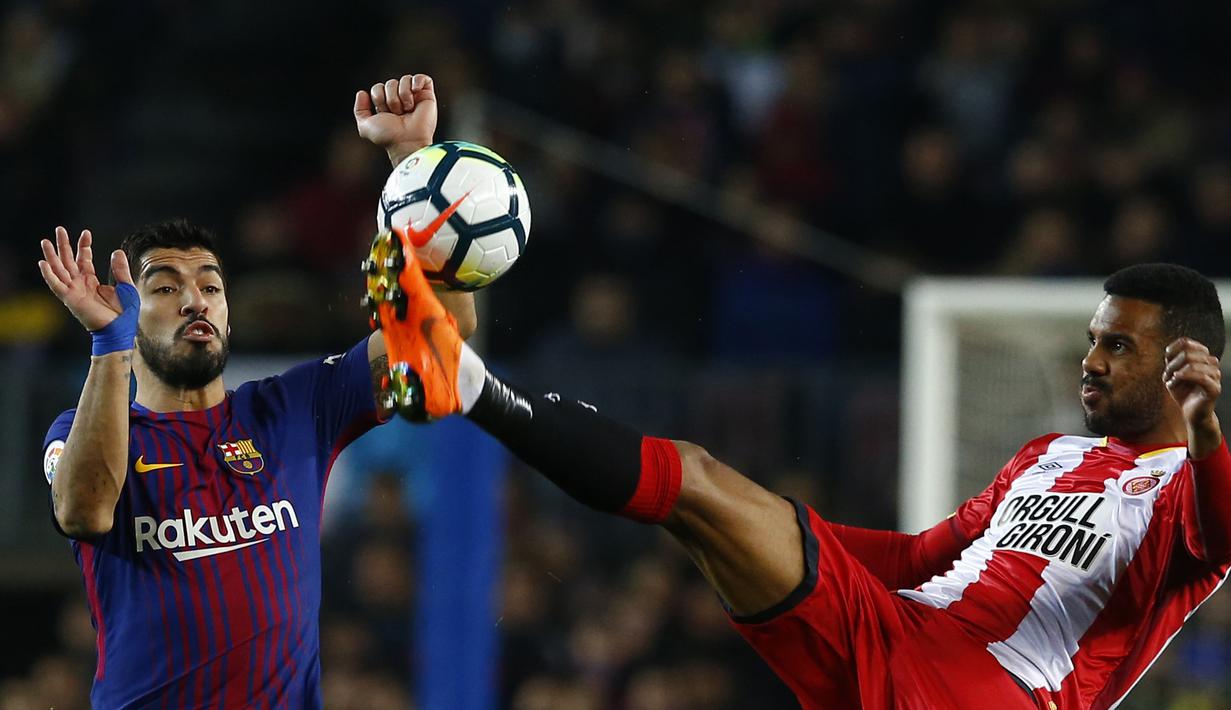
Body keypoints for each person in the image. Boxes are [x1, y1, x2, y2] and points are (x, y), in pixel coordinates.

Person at [372, 252, 1231, 709]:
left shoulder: (1184, 494)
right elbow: (920, 556)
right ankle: (464, 383)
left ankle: (467, 382)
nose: (1088, 361)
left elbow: (1221, 533)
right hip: (899, 635)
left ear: (1183, 365)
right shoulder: (1046, 454)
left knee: (702, 490)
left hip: (985, 694)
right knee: (698, 491)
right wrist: (790, 527)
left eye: (1116, 346)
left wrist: (1202, 427)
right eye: (1091, 338)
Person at [35, 73, 471, 708]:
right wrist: (109, 345)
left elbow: (443, 340)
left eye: (210, 285)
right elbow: (83, 511)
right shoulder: (78, 431)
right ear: (129, 312)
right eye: (164, 288)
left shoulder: (295, 406)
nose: (194, 300)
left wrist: (412, 169)